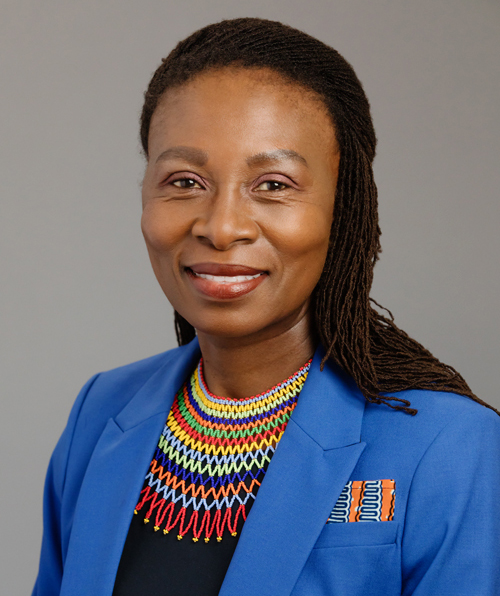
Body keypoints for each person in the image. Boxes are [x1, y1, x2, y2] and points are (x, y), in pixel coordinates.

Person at [32, 17, 500, 596]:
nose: (221, 227)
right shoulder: (100, 414)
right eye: (184, 181)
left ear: (343, 207)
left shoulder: (451, 448)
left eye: (274, 184)